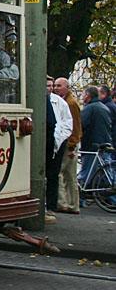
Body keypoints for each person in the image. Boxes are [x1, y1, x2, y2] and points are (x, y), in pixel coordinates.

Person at [78, 86, 113, 205]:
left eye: (83, 94)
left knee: (85, 174)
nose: (82, 97)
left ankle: (80, 199)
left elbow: (80, 124)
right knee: (103, 173)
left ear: (88, 95)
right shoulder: (104, 107)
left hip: (91, 144)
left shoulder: (89, 108)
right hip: (104, 142)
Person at [53, 77, 82, 213]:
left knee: (61, 173)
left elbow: (75, 126)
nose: (56, 88)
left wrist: (71, 145)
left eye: (59, 86)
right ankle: (72, 204)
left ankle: (63, 202)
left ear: (67, 87)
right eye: (55, 85)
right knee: (69, 176)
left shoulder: (70, 103)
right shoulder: (67, 101)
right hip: (69, 142)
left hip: (68, 143)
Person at [45, 77, 72, 221]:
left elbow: (67, 123)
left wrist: (60, 139)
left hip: (56, 143)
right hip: (46, 141)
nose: (50, 88)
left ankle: (51, 206)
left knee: (53, 175)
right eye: (48, 85)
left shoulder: (60, 103)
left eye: (51, 85)